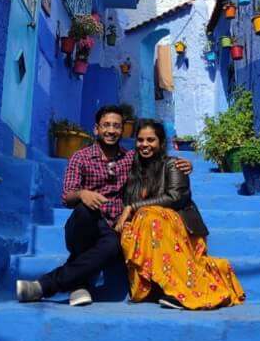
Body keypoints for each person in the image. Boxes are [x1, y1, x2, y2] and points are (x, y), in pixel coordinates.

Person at [16, 106, 192, 307]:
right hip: (83, 226)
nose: (111, 130)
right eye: (106, 125)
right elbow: (67, 197)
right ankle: (77, 282)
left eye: (116, 126)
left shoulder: (129, 158)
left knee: (112, 247)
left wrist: (182, 164)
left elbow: (154, 157)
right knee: (84, 210)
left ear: (122, 130)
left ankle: (49, 286)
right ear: (96, 129)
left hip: (112, 227)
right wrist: (82, 193)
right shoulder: (80, 157)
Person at [115, 119, 245, 310]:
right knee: (138, 222)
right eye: (140, 140)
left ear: (160, 143)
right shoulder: (131, 170)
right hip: (147, 228)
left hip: (178, 224)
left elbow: (176, 196)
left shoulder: (174, 165)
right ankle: (152, 285)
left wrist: (133, 207)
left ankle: (180, 292)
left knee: (148, 217)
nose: (145, 145)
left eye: (151, 140)